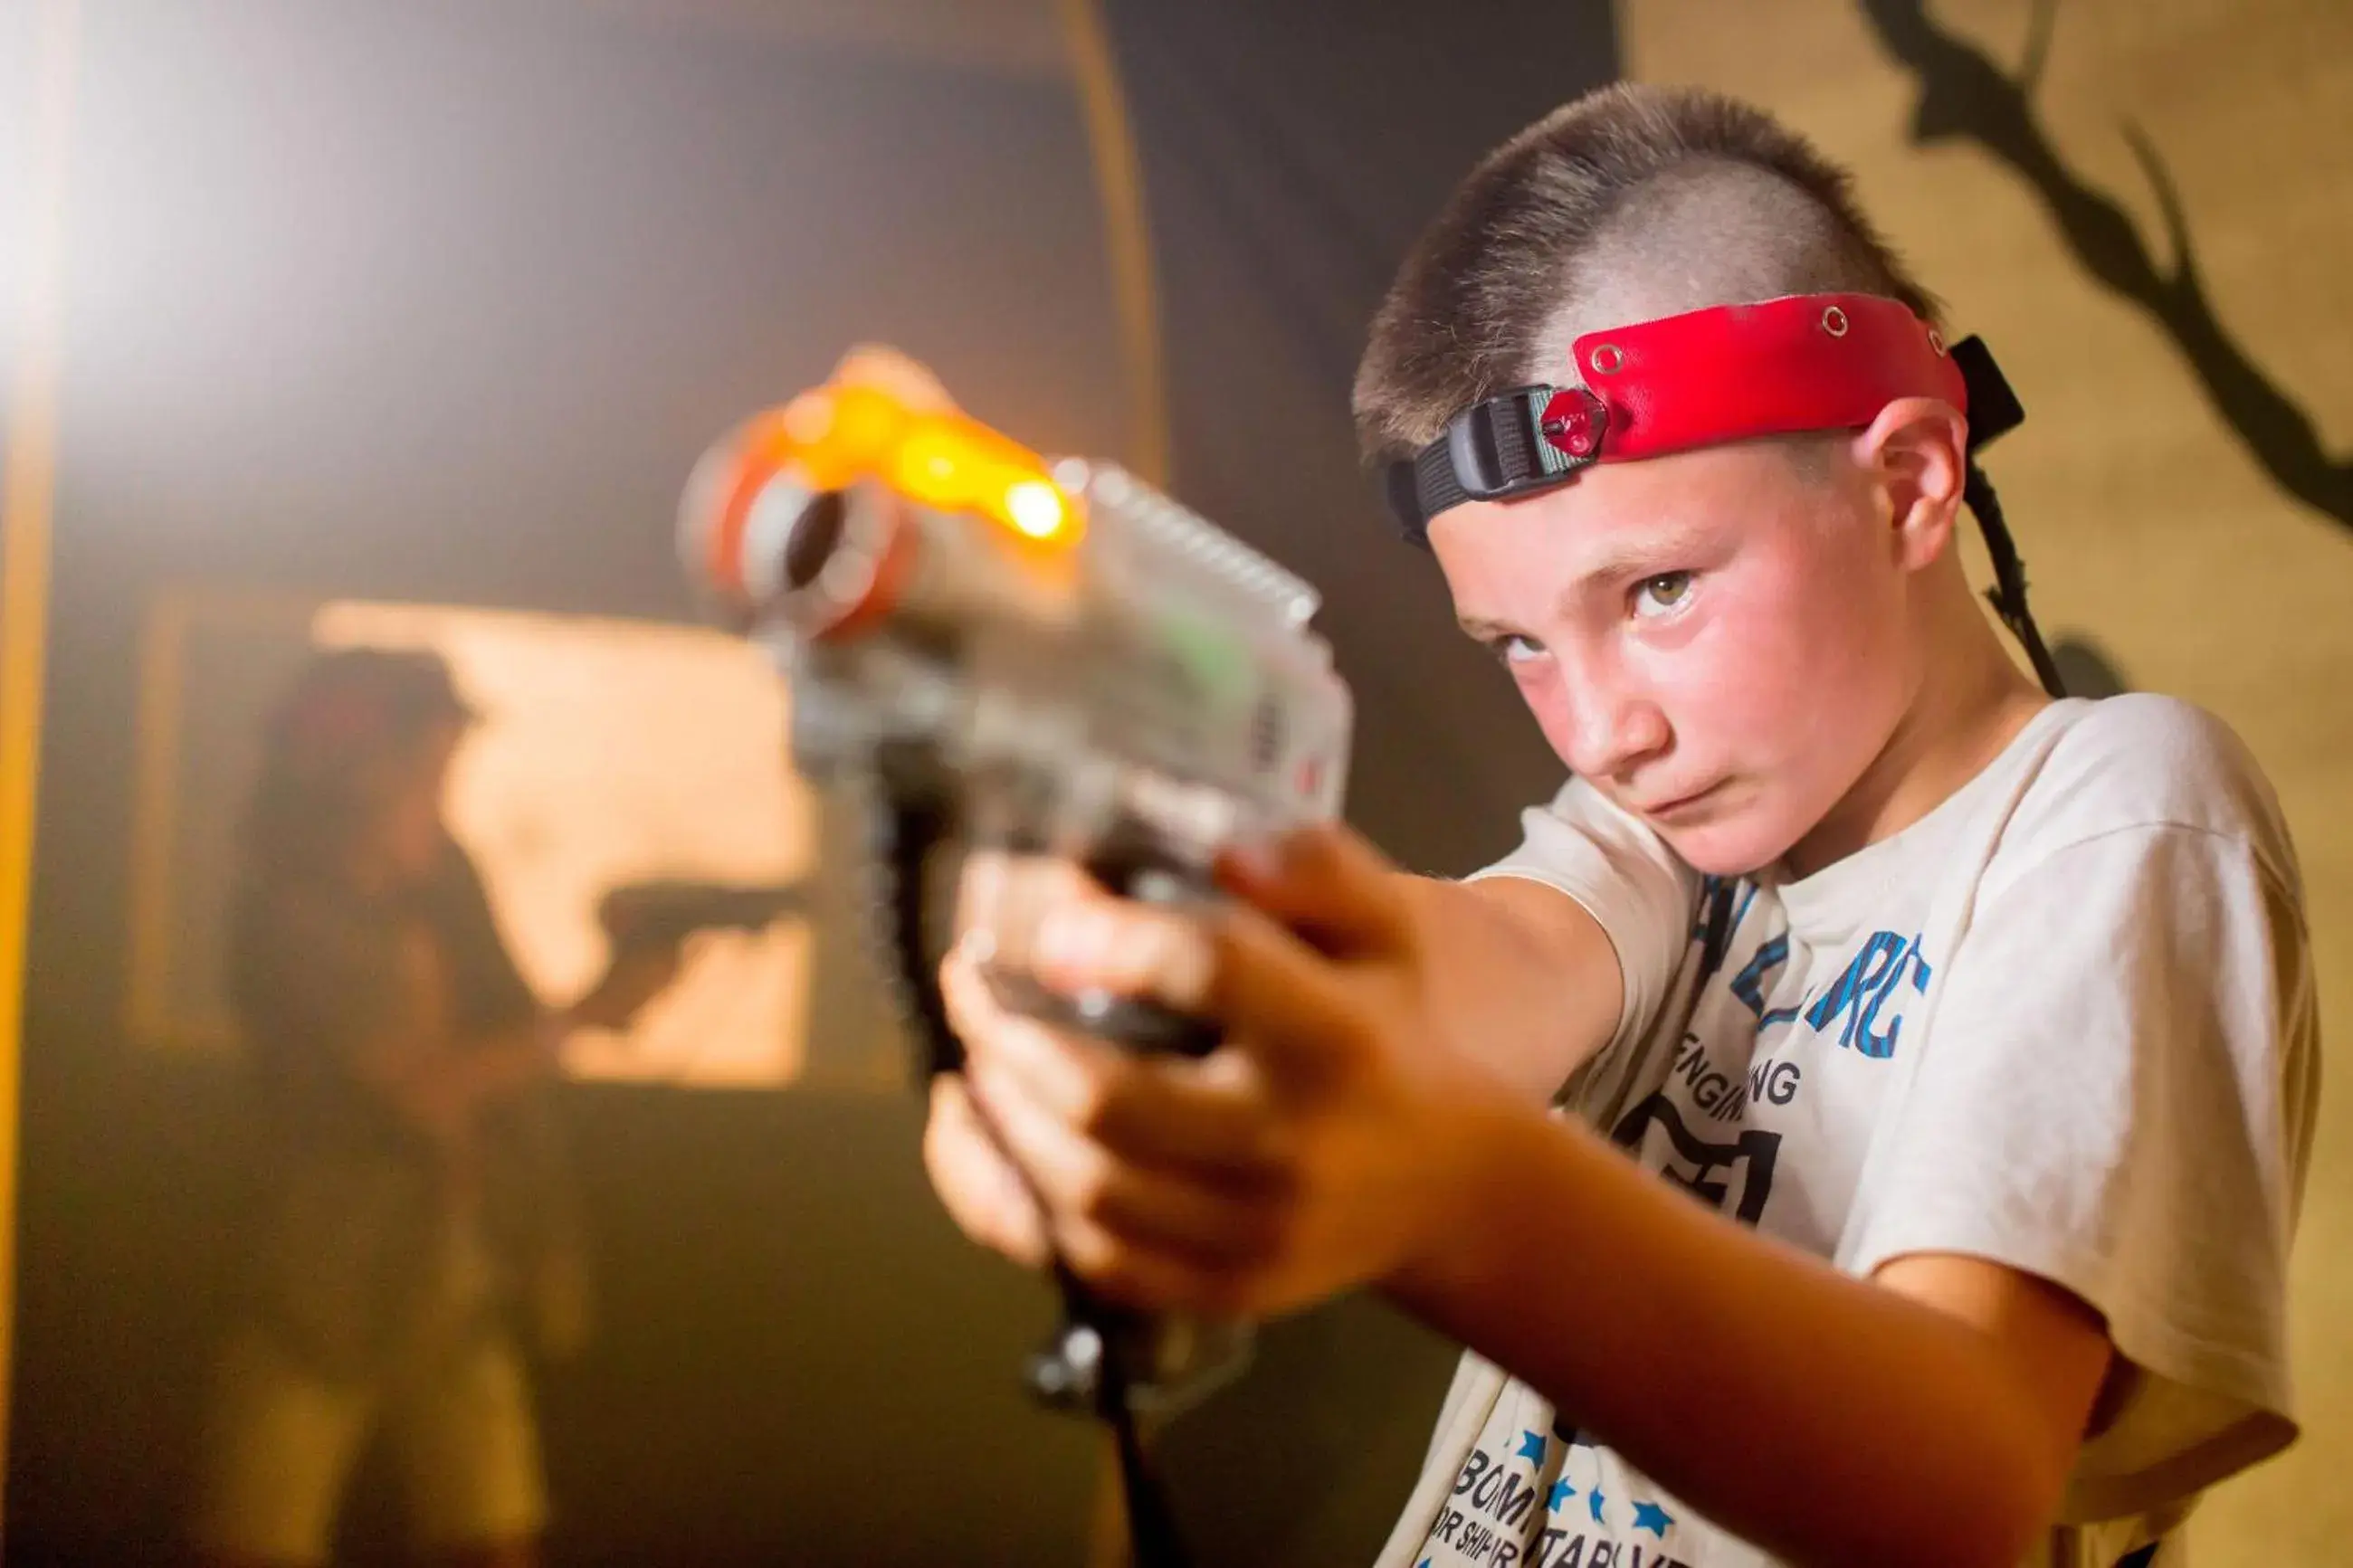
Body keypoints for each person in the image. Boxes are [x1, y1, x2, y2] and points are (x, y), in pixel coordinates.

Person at [919, 84, 2318, 1567]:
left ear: (1911, 483)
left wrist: (1454, 1189)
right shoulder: (1676, 830)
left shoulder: (2114, 813)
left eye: (1659, 591)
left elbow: (1958, 1479)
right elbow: (1471, 965)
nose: (1602, 733)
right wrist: (1185, 974)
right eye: (1520, 643)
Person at [192, 648, 682, 1568]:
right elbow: (425, 1085)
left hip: (454, 1276)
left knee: (491, 1536)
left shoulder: (443, 883)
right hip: (317, 1287)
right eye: (426, 777)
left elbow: (505, 1035)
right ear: (359, 781)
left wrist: (610, 984)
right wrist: (582, 1014)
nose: (439, 804)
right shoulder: (297, 915)